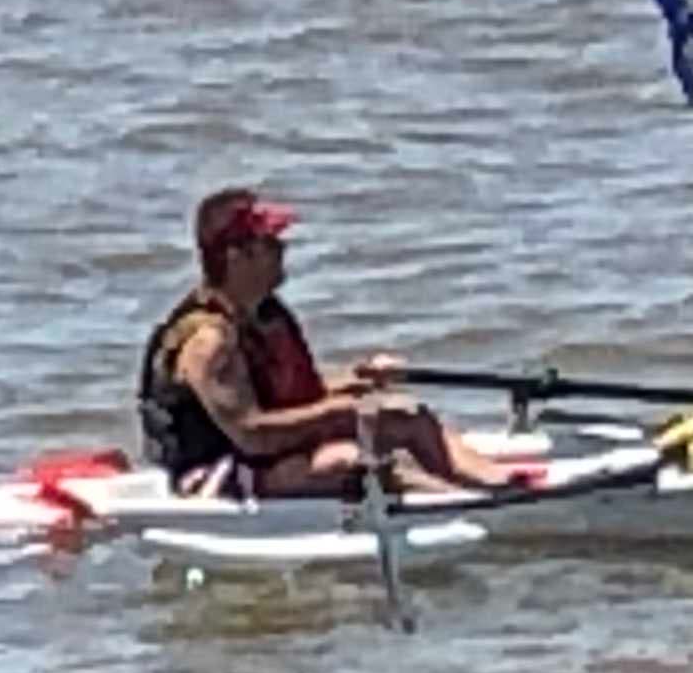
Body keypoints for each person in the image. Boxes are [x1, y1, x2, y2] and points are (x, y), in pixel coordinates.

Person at [136, 185, 527, 498]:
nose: (283, 250)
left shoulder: (265, 313)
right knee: (350, 459)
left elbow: (294, 396)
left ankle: (503, 485)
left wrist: (358, 381)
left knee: (409, 417)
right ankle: (461, 509)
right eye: (271, 244)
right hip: (219, 472)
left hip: (270, 454)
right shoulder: (208, 343)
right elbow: (252, 434)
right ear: (236, 256)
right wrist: (337, 412)